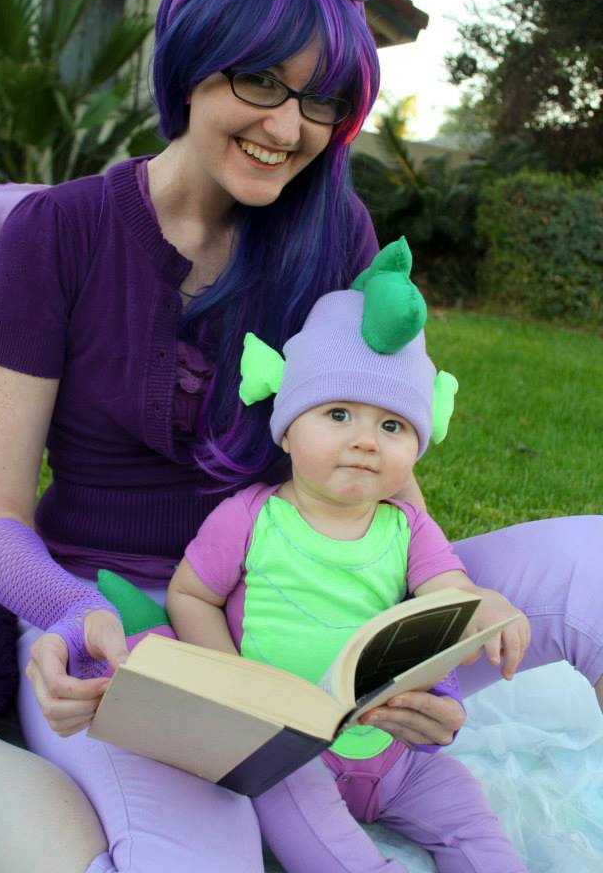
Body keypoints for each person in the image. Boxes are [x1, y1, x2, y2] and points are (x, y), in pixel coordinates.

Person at [0, 0, 600, 871]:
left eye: (321, 100)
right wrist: (62, 613)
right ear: (192, 64)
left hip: (326, 581)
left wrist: (426, 617)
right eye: (260, 80)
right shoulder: (58, 234)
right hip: (135, 631)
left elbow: (376, 445)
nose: (288, 126)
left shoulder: (332, 229)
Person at [165, 242, 529, 872]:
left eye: (392, 426)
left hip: (391, 750)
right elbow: (191, 593)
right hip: (288, 749)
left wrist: (486, 608)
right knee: (323, 842)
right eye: (338, 414)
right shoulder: (252, 517)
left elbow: (448, 591)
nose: (365, 440)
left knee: (473, 823)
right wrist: (234, 682)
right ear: (289, 426)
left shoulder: (407, 526)